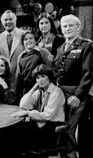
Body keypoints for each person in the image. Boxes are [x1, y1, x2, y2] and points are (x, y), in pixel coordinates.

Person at [53, 14, 93, 158]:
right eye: (64, 26)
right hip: (60, 94)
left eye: (71, 26)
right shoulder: (60, 48)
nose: (67, 29)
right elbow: (55, 71)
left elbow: (88, 74)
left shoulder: (87, 45)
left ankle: (71, 156)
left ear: (78, 28)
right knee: (61, 128)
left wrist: (78, 96)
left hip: (76, 93)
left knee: (70, 129)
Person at [11, 64, 65, 151]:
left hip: (53, 127)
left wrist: (28, 113)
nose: (40, 80)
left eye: (43, 76)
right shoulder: (39, 91)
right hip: (41, 125)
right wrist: (34, 88)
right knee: (15, 131)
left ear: (49, 77)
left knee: (19, 137)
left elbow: (48, 115)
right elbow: (23, 105)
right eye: (37, 78)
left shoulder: (56, 92)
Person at [14, 31, 53, 104]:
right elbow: (19, 76)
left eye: (31, 38)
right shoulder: (20, 56)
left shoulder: (43, 52)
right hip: (26, 90)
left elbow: (50, 69)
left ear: (35, 40)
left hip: (40, 88)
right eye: (25, 39)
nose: (28, 40)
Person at [0, 10, 25, 92]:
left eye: (10, 19)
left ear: (15, 20)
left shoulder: (24, 34)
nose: (8, 22)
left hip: (20, 76)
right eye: (5, 20)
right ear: (2, 22)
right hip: (5, 78)